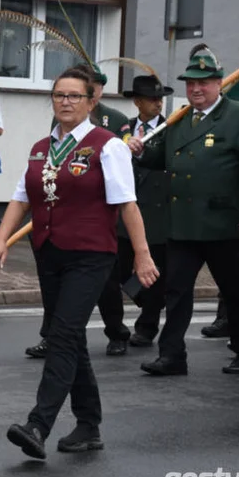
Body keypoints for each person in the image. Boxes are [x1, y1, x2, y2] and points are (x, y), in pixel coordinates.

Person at [0, 66, 158, 459]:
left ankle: (38, 424)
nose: (65, 102)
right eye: (59, 95)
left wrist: (142, 254)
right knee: (72, 338)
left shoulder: (108, 145)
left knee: (61, 336)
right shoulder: (40, 147)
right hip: (49, 252)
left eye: (74, 96)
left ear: (91, 101)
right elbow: (20, 197)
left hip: (91, 255)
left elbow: (126, 204)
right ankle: (88, 425)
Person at [128, 44, 239, 377]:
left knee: (234, 292)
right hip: (183, 225)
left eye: (204, 82)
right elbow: (160, 158)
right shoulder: (180, 119)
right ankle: (172, 355)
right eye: (191, 83)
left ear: (219, 83)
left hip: (222, 223)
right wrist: (137, 150)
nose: (196, 89)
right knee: (176, 292)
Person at [25, 62, 132, 360]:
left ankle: (116, 332)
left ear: (94, 94)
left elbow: (123, 188)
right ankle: (53, 336)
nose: (67, 101)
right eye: (60, 95)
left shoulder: (115, 119)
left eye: (80, 92)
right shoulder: (57, 124)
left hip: (98, 221)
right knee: (60, 306)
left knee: (108, 285)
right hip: (57, 222)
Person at [98, 74, 172, 354]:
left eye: (160, 98)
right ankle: (124, 322)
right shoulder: (123, 128)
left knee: (153, 275)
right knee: (116, 272)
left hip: (156, 212)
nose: (157, 103)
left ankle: (147, 326)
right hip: (124, 213)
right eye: (151, 99)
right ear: (138, 102)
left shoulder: (170, 129)